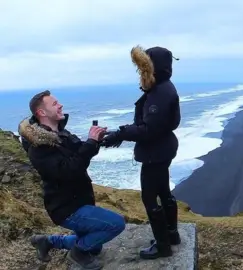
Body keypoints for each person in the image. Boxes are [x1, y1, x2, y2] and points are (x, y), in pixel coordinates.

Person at [18, 90, 126, 270]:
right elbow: (69, 171)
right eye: (54, 104)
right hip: (66, 208)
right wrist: (90, 143)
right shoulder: (38, 147)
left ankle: (47, 241)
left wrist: (95, 141)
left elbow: (80, 153)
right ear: (42, 113)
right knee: (116, 224)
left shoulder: (60, 133)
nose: (60, 105)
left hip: (79, 200)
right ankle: (77, 253)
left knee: (95, 246)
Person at [101, 45, 181, 259]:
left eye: (143, 67)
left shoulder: (160, 92)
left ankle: (163, 246)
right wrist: (122, 133)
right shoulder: (164, 87)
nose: (140, 72)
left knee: (149, 198)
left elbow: (149, 129)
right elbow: (153, 125)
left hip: (156, 153)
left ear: (152, 66)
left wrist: (120, 134)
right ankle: (172, 234)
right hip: (163, 148)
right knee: (164, 191)